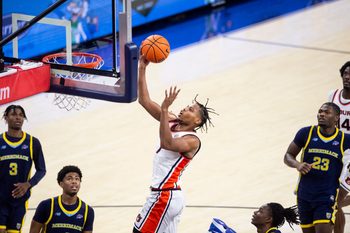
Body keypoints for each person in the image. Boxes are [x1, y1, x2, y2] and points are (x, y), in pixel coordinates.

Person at [133, 55, 216, 233]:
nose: (185, 108)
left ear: (197, 121)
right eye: (187, 106)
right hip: (164, 195)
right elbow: (144, 101)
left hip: (165, 196)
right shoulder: (171, 120)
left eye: (191, 109)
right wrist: (142, 68)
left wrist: (164, 109)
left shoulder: (192, 141)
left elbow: (167, 143)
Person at [284, 102, 350, 233]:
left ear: (336, 117)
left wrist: (344, 190)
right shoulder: (306, 133)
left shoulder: (345, 139)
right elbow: (288, 155)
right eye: (320, 111)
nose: (321, 114)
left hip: (326, 196)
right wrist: (297, 164)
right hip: (304, 194)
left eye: (327, 112)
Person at [0, 105, 46, 233]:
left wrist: (28, 184)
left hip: (19, 201)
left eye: (21, 115)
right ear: (6, 118)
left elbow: (42, 170)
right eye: (14, 114)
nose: (18, 117)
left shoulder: (32, 142)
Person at [29, 165, 94, 233]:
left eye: (77, 179)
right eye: (69, 179)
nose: (74, 181)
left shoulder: (88, 211)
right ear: (61, 184)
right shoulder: (46, 205)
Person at [328, 60, 350, 233]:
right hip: (336, 152)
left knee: (335, 201)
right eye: (345, 74)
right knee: (334, 202)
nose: (348, 77)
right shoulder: (333, 95)